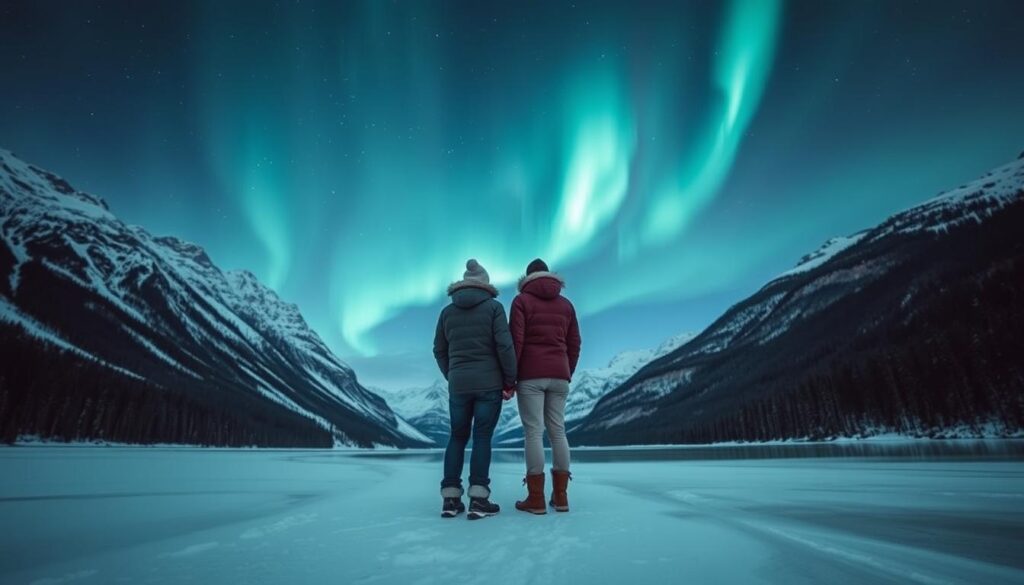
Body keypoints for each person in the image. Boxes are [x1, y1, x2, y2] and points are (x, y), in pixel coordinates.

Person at [433, 259, 517, 520]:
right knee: (482, 438)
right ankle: (479, 500)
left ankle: (450, 499)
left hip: (459, 385)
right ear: (485, 284)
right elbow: (504, 346)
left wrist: (452, 375)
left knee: (457, 437)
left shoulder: (447, 312)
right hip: (489, 385)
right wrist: (509, 380)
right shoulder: (494, 308)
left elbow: (439, 350)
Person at [509, 258, 581, 514]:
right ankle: (561, 497)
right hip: (559, 374)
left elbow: (515, 343)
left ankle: (536, 498)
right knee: (558, 432)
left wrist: (510, 379)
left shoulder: (521, 302)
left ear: (527, 278)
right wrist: (566, 371)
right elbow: (575, 344)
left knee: (533, 433)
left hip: (530, 375)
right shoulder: (566, 305)